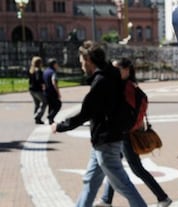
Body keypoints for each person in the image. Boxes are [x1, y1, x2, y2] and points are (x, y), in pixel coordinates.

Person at [51, 41, 147, 207]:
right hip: (104, 140)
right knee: (90, 181)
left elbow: (85, 112)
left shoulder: (102, 81)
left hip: (106, 141)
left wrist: (60, 126)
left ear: (88, 59)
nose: (81, 66)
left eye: (82, 62)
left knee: (122, 185)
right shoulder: (111, 75)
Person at [93, 58, 172, 207]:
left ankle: (163, 197)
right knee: (114, 166)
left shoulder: (127, 87)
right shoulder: (127, 85)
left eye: (117, 69)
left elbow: (126, 112)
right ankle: (106, 199)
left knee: (135, 168)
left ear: (126, 70)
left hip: (126, 134)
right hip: (124, 133)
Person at [28, 56, 47, 124]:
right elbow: (39, 80)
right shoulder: (38, 71)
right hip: (37, 89)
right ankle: (37, 116)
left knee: (37, 104)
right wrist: (43, 85)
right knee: (45, 102)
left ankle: (37, 119)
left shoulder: (31, 70)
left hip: (31, 89)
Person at [43, 58, 62, 124]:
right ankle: (50, 117)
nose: (57, 65)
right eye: (56, 64)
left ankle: (51, 120)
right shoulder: (53, 72)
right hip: (52, 92)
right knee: (58, 104)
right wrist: (58, 92)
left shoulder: (45, 72)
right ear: (53, 65)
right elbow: (54, 82)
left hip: (46, 92)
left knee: (51, 106)